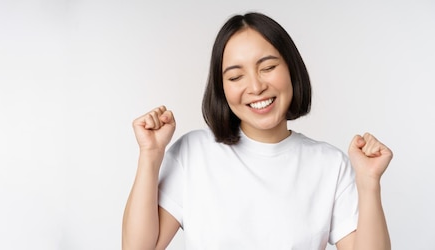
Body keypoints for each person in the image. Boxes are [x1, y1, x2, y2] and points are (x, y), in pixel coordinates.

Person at [122, 12, 392, 250]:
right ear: (222, 88)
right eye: (236, 76)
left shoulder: (330, 165)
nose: (255, 86)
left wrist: (369, 182)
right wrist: (151, 154)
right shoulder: (193, 153)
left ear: (291, 70)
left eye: (268, 67)